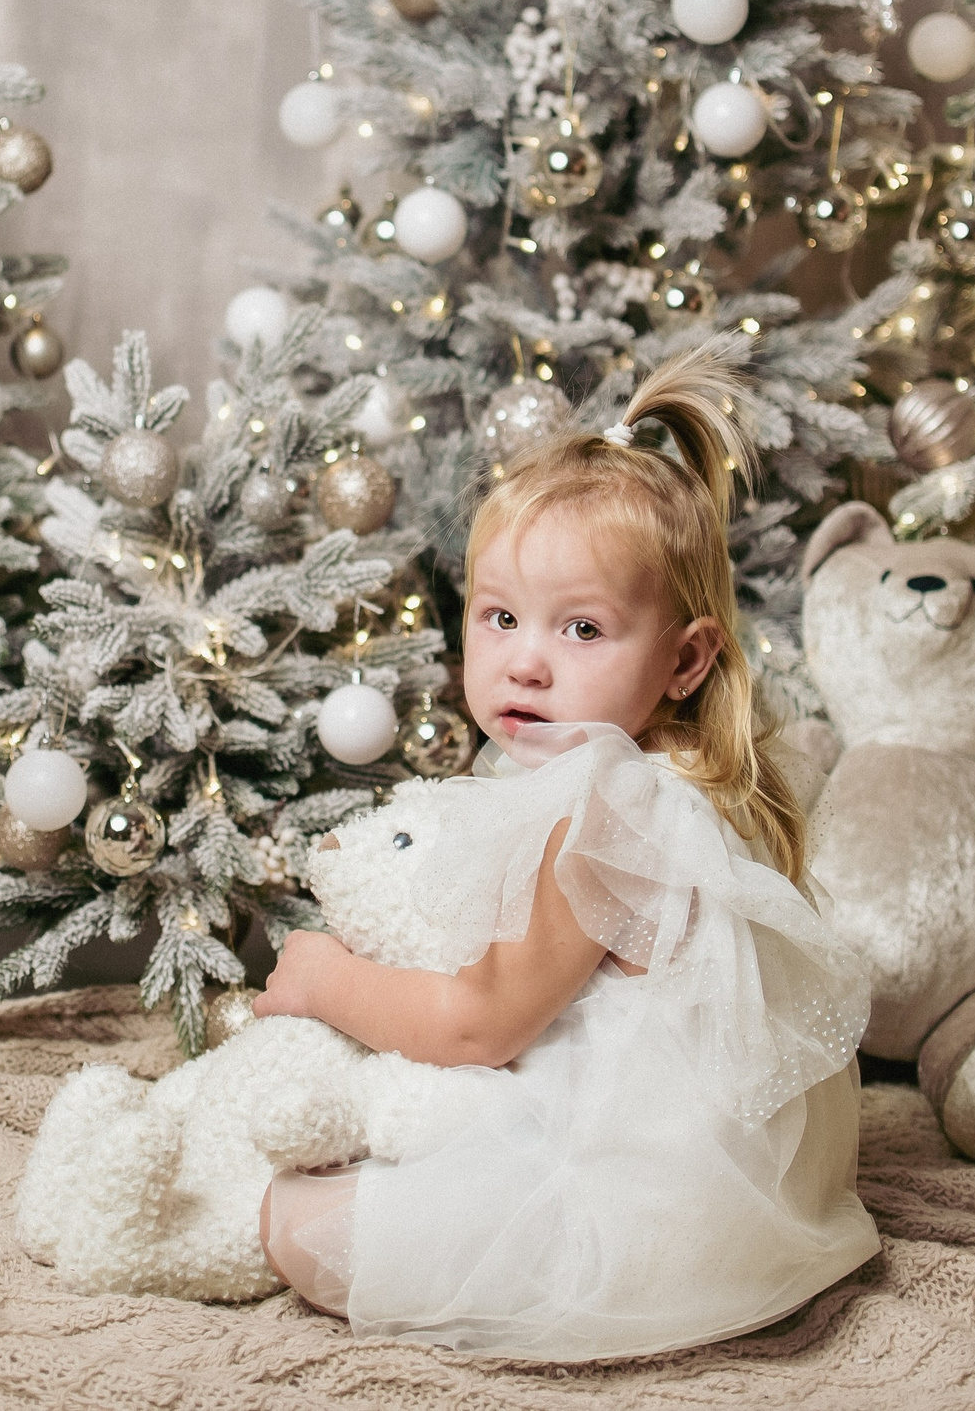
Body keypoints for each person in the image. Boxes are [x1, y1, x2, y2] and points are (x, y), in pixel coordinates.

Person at [250, 340, 878, 1361]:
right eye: (499, 616)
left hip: (640, 1211)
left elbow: (477, 1026)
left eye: (581, 629)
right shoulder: (666, 779)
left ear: (685, 658)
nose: (525, 660)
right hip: (700, 1178)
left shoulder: (610, 813)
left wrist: (327, 978)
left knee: (288, 1217)